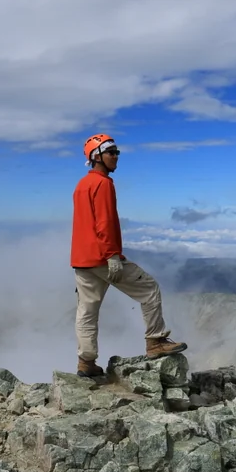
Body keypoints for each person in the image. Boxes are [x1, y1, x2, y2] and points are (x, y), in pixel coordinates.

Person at [71, 133, 187, 378]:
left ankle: (86, 362)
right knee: (149, 288)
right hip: (103, 257)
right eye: (111, 152)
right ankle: (156, 341)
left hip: (81, 260)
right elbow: (105, 222)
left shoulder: (82, 185)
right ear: (96, 156)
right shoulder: (103, 184)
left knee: (87, 311)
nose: (116, 157)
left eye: (117, 152)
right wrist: (112, 254)